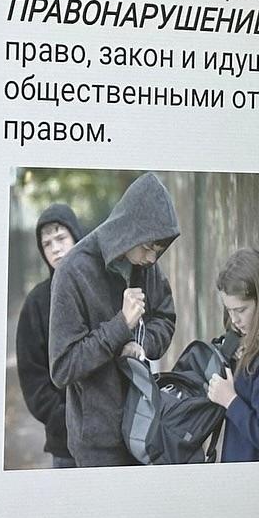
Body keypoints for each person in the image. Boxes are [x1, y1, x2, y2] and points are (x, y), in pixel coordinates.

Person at [49, 172, 179, 467]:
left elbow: (165, 318)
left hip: (145, 427)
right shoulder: (72, 272)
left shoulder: (146, 264)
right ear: (129, 230)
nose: (152, 259)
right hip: (97, 445)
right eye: (148, 247)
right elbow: (63, 367)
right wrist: (120, 326)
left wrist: (141, 343)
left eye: (158, 251)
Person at [204, 248, 259, 461]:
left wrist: (230, 400)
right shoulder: (242, 345)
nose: (234, 320)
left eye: (241, 310)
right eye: (229, 310)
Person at [14, 203, 85, 468]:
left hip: (113, 438)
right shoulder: (36, 303)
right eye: (47, 243)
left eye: (61, 238)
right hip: (65, 444)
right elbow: (32, 376)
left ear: (76, 237)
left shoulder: (100, 287)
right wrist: (63, 418)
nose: (55, 248)